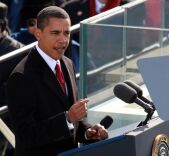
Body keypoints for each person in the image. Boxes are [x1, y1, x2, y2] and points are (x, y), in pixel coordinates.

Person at [7, 6, 108, 156]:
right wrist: (67, 118)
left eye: (66, 33)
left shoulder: (67, 63)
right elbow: (25, 135)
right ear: (38, 34)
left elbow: (72, 121)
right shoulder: (21, 76)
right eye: (55, 33)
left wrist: (88, 132)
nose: (63, 40)